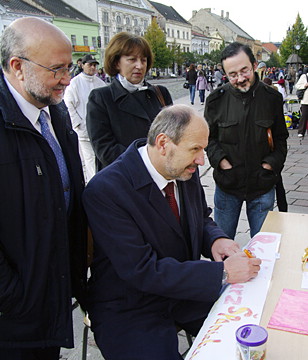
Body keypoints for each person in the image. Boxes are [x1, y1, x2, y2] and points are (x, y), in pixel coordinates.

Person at [0, 17, 88, 360]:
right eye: (57, 69)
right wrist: (13, 297)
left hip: (49, 294)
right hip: (7, 318)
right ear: (17, 67)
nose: (67, 80)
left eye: (69, 67)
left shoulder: (53, 111)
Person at [83, 105, 261, 360]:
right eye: (195, 149)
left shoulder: (183, 167)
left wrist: (215, 239)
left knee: (252, 326)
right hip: (129, 304)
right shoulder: (105, 190)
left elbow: (200, 217)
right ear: (163, 143)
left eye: (203, 149)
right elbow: (142, 270)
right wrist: (222, 273)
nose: (202, 160)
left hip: (181, 289)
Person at [204, 42, 288, 239]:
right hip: (228, 186)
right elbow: (209, 139)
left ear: (255, 65)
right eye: (232, 74)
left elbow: (281, 139)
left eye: (244, 71)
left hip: (262, 187)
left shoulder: (272, 98)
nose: (240, 79)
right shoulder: (216, 100)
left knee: (263, 248)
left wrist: (270, 165)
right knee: (223, 246)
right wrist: (222, 162)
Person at [87, 32, 172, 171]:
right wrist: (148, 161)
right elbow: (105, 149)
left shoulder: (160, 93)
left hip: (159, 178)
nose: (139, 66)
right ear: (116, 63)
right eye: (132, 59)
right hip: (123, 178)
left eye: (143, 60)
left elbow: (173, 135)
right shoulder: (101, 98)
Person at [64, 54, 106, 183]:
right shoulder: (75, 83)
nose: (93, 67)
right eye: (90, 65)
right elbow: (68, 105)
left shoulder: (100, 83)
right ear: (82, 65)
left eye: (94, 65)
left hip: (100, 130)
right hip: (84, 131)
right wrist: (78, 124)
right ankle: (94, 185)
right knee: (89, 160)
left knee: (101, 158)